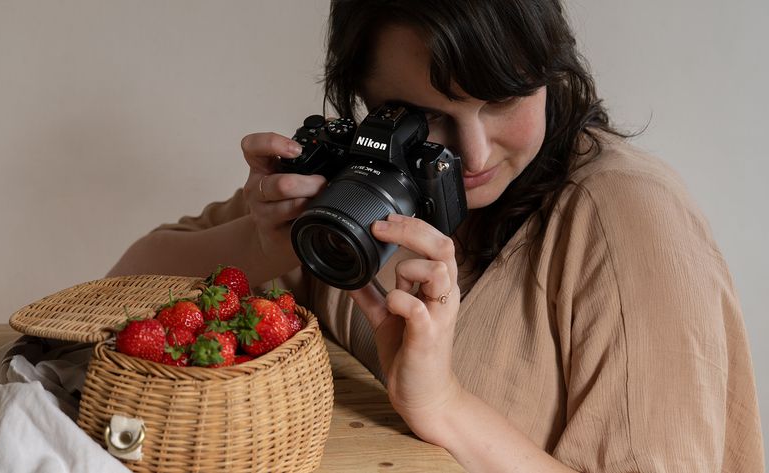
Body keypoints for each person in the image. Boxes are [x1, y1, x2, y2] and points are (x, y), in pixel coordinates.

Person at [107, 1, 764, 471]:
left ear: (548, 69)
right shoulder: (359, 184)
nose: (474, 153)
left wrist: (443, 403)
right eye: (427, 118)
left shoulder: (627, 218)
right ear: (366, 102)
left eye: (503, 99)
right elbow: (116, 294)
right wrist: (266, 240)